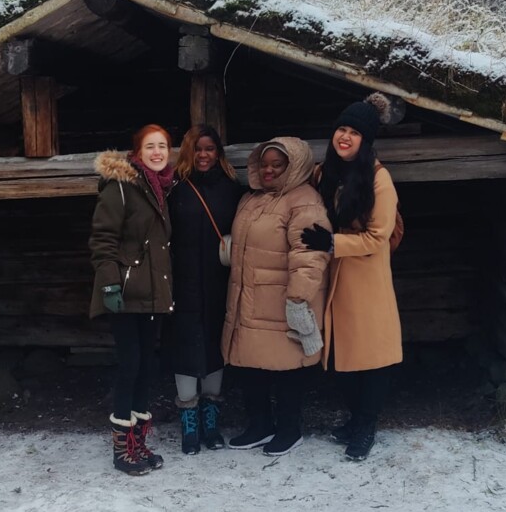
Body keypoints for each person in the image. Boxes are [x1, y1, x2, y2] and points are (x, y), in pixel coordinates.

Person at [301, 93, 403, 461]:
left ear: (366, 140)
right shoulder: (324, 171)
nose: (344, 136)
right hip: (334, 275)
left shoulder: (380, 180)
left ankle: (365, 426)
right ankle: (354, 418)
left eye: (354, 132)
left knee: (370, 358)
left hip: (365, 278)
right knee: (341, 355)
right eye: (341, 129)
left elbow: (377, 235)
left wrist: (331, 243)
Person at [221, 137, 331, 456]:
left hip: (283, 300)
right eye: (264, 164)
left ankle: (289, 429)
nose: (268, 170)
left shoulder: (305, 201)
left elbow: (310, 252)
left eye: (277, 164)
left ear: (294, 165)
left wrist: (299, 298)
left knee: (287, 368)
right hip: (248, 297)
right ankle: (259, 425)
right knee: (250, 365)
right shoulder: (251, 199)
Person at [89, 124, 175, 476]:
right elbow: (102, 239)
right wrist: (110, 285)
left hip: (152, 294)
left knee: (146, 369)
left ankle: (138, 444)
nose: (157, 152)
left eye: (163, 147)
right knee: (130, 368)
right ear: (137, 153)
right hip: (125, 294)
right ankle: (121, 451)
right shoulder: (121, 187)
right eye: (150, 147)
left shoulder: (160, 188)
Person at [167, 125, 244, 455]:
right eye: (197, 149)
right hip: (181, 283)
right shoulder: (175, 189)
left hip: (218, 281)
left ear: (218, 152)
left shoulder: (232, 189)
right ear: (187, 151)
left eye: (209, 148)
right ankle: (189, 424)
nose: (203, 155)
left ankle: (210, 422)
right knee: (184, 348)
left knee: (216, 345)